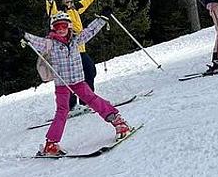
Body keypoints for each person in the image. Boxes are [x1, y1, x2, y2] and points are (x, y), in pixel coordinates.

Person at [13, 10, 132, 157]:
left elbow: (90, 31)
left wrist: (102, 18)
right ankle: (51, 144)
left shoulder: (76, 40)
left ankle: (119, 122)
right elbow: (37, 42)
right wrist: (24, 35)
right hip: (62, 84)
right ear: (53, 28)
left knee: (93, 100)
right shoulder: (50, 44)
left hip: (78, 81)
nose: (61, 29)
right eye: (57, 27)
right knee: (62, 111)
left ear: (69, 26)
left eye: (63, 25)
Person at [45, 0, 101, 113]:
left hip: (80, 49)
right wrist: (49, 0)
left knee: (90, 72)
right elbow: (51, 11)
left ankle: (87, 102)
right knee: (70, 79)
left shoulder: (75, 8)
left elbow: (85, 2)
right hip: (68, 51)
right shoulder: (59, 12)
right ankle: (71, 106)